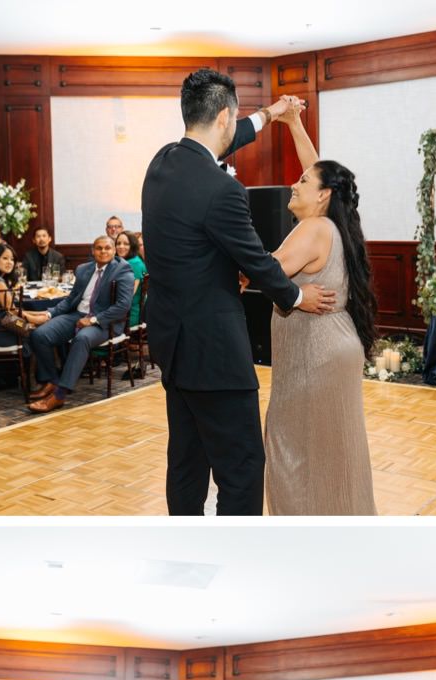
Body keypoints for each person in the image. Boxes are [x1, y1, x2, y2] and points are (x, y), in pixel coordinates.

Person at [142, 72, 336, 514]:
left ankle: (187, 556)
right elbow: (257, 261)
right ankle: (237, 557)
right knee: (242, 469)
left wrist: (270, 115)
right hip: (215, 355)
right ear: (226, 116)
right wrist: (296, 297)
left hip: (172, 344)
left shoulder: (161, 163)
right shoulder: (223, 190)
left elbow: (220, 143)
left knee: (187, 463)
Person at [262, 105, 377, 515]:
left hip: (316, 357)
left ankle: (304, 537)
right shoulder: (333, 223)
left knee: (296, 451)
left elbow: (264, 273)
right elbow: (318, 171)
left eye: (302, 181)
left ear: (324, 194)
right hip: (333, 348)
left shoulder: (314, 228)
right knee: (333, 454)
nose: (294, 184)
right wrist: (293, 123)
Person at [24, 235, 134, 414]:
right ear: (92, 251)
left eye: (107, 248)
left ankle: (59, 395)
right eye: (99, 248)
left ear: (114, 251)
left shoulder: (123, 270)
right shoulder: (83, 269)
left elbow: (123, 307)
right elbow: (70, 300)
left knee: (82, 338)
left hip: (105, 323)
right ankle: (51, 380)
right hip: (77, 314)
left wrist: (92, 320)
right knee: (39, 334)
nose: (103, 251)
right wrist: (50, 314)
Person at [117, 231, 148, 328]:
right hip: (125, 312)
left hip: (129, 315)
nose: (121, 246)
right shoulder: (127, 261)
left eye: (126, 244)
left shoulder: (133, 263)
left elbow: (129, 295)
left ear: (133, 246)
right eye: (118, 243)